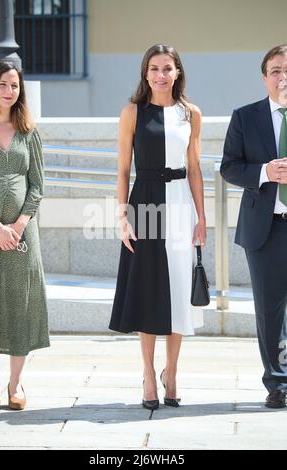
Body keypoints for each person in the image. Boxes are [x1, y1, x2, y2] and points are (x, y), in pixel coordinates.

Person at [109, 44, 206, 410]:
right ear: (145, 73)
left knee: (180, 290)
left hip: (181, 203)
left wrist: (202, 217)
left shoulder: (191, 113)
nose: (160, 75)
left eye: (167, 68)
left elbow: (195, 168)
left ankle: (173, 373)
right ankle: (149, 375)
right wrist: (122, 217)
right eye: (154, 68)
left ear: (178, 72)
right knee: (149, 290)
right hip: (145, 203)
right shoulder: (132, 112)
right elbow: (121, 169)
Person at [221, 44, 287, 408]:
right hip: (266, 228)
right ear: (265, 78)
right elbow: (229, 166)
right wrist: (264, 172)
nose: (283, 77)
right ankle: (278, 383)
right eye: (276, 70)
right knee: (270, 309)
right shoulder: (246, 117)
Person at [0, 61, 50, 412]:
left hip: (24, 235)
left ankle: (16, 382)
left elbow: (38, 185)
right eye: (2, 85)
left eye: (14, 86)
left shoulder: (28, 130)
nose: (9, 91)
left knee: (21, 302)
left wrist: (20, 224)